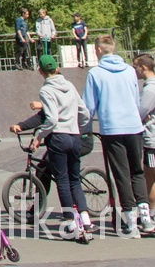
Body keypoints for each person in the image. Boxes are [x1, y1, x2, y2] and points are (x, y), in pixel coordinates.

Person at [82, 34, 154, 237]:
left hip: (113, 128)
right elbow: (134, 100)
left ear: (97, 50)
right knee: (136, 172)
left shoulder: (95, 73)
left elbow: (88, 107)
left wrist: (85, 130)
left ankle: (130, 222)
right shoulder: (130, 72)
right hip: (133, 127)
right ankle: (146, 219)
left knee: (121, 174)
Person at [27, 54, 93, 243]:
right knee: (74, 180)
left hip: (58, 138)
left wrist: (40, 136)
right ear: (56, 68)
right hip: (74, 137)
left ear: (40, 71)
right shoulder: (70, 86)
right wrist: (78, 128)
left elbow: (52, 119)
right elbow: (85, 113)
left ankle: (72, 223)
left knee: (62, 181)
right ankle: (86, 220)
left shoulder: (46, 90)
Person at [133, 54, 155, 222]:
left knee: (151, 177)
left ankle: (152, 214)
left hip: (152, 140)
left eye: (136, 67)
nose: (135, 71)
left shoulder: (150, 89)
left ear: (144, 67)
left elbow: (141, 112)